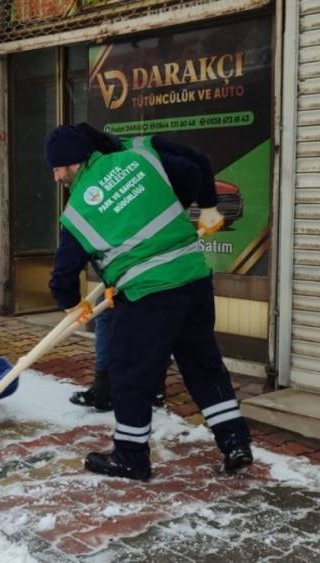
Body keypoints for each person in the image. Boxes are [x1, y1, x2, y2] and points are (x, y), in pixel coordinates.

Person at [45, 124, 253, 479]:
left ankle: (130, 457)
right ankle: (235, 443)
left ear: (70, 164)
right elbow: (194, 167)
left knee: (130, 376)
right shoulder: (140, 160)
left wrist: (73, 306)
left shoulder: (79, 211)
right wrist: (205, 209)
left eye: (56, 168)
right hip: (193, 279)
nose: (55, 177)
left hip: (147, 297)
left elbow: (62, 277)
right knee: (203, 367)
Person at [57, 124, 214, 413]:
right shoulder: (97, 176)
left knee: (152, 323)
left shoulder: (142, 151)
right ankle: (105, 388)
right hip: (120, 266)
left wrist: (205, 206)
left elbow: (198, 163)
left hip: (157, 268)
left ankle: (151, 388)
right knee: (107, 320)